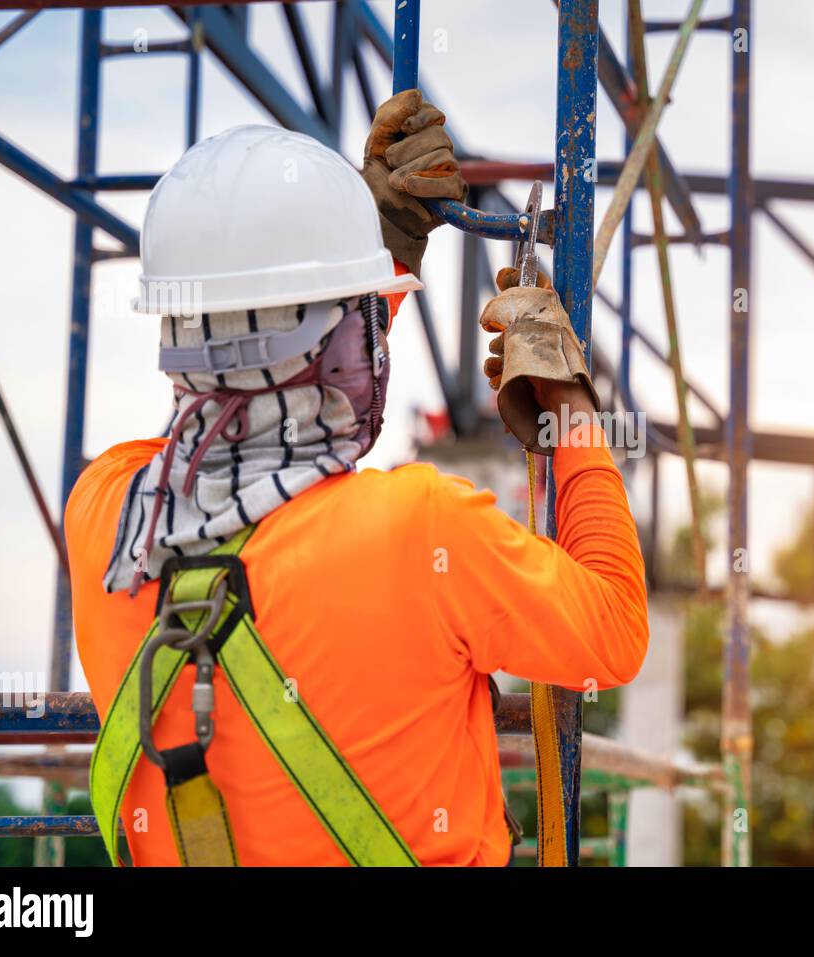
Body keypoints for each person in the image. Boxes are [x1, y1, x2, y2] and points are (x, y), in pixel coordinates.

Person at [65, 91, 648, 866]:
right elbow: (613, 629)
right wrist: (571, 407)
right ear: (347, 341)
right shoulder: (427, 531)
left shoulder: (105, 512)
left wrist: (375, 251)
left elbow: (247, 416)